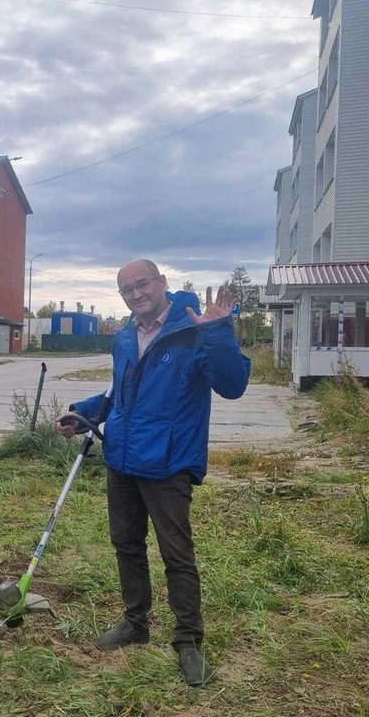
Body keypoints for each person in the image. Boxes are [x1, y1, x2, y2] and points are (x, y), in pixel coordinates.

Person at [56, 259, 250, 686]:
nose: (135, 294)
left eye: (141, 284)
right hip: (122, 458)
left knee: (176, 555)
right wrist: (84, 413)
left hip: (168, 463)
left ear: (162, 283)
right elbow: (119, 394)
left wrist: (218, 332)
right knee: (126, 544)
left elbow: (233, 385)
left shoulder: (193, 329)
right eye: (126, 289)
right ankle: (135, 623)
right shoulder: (125, 334)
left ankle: (187, 640)